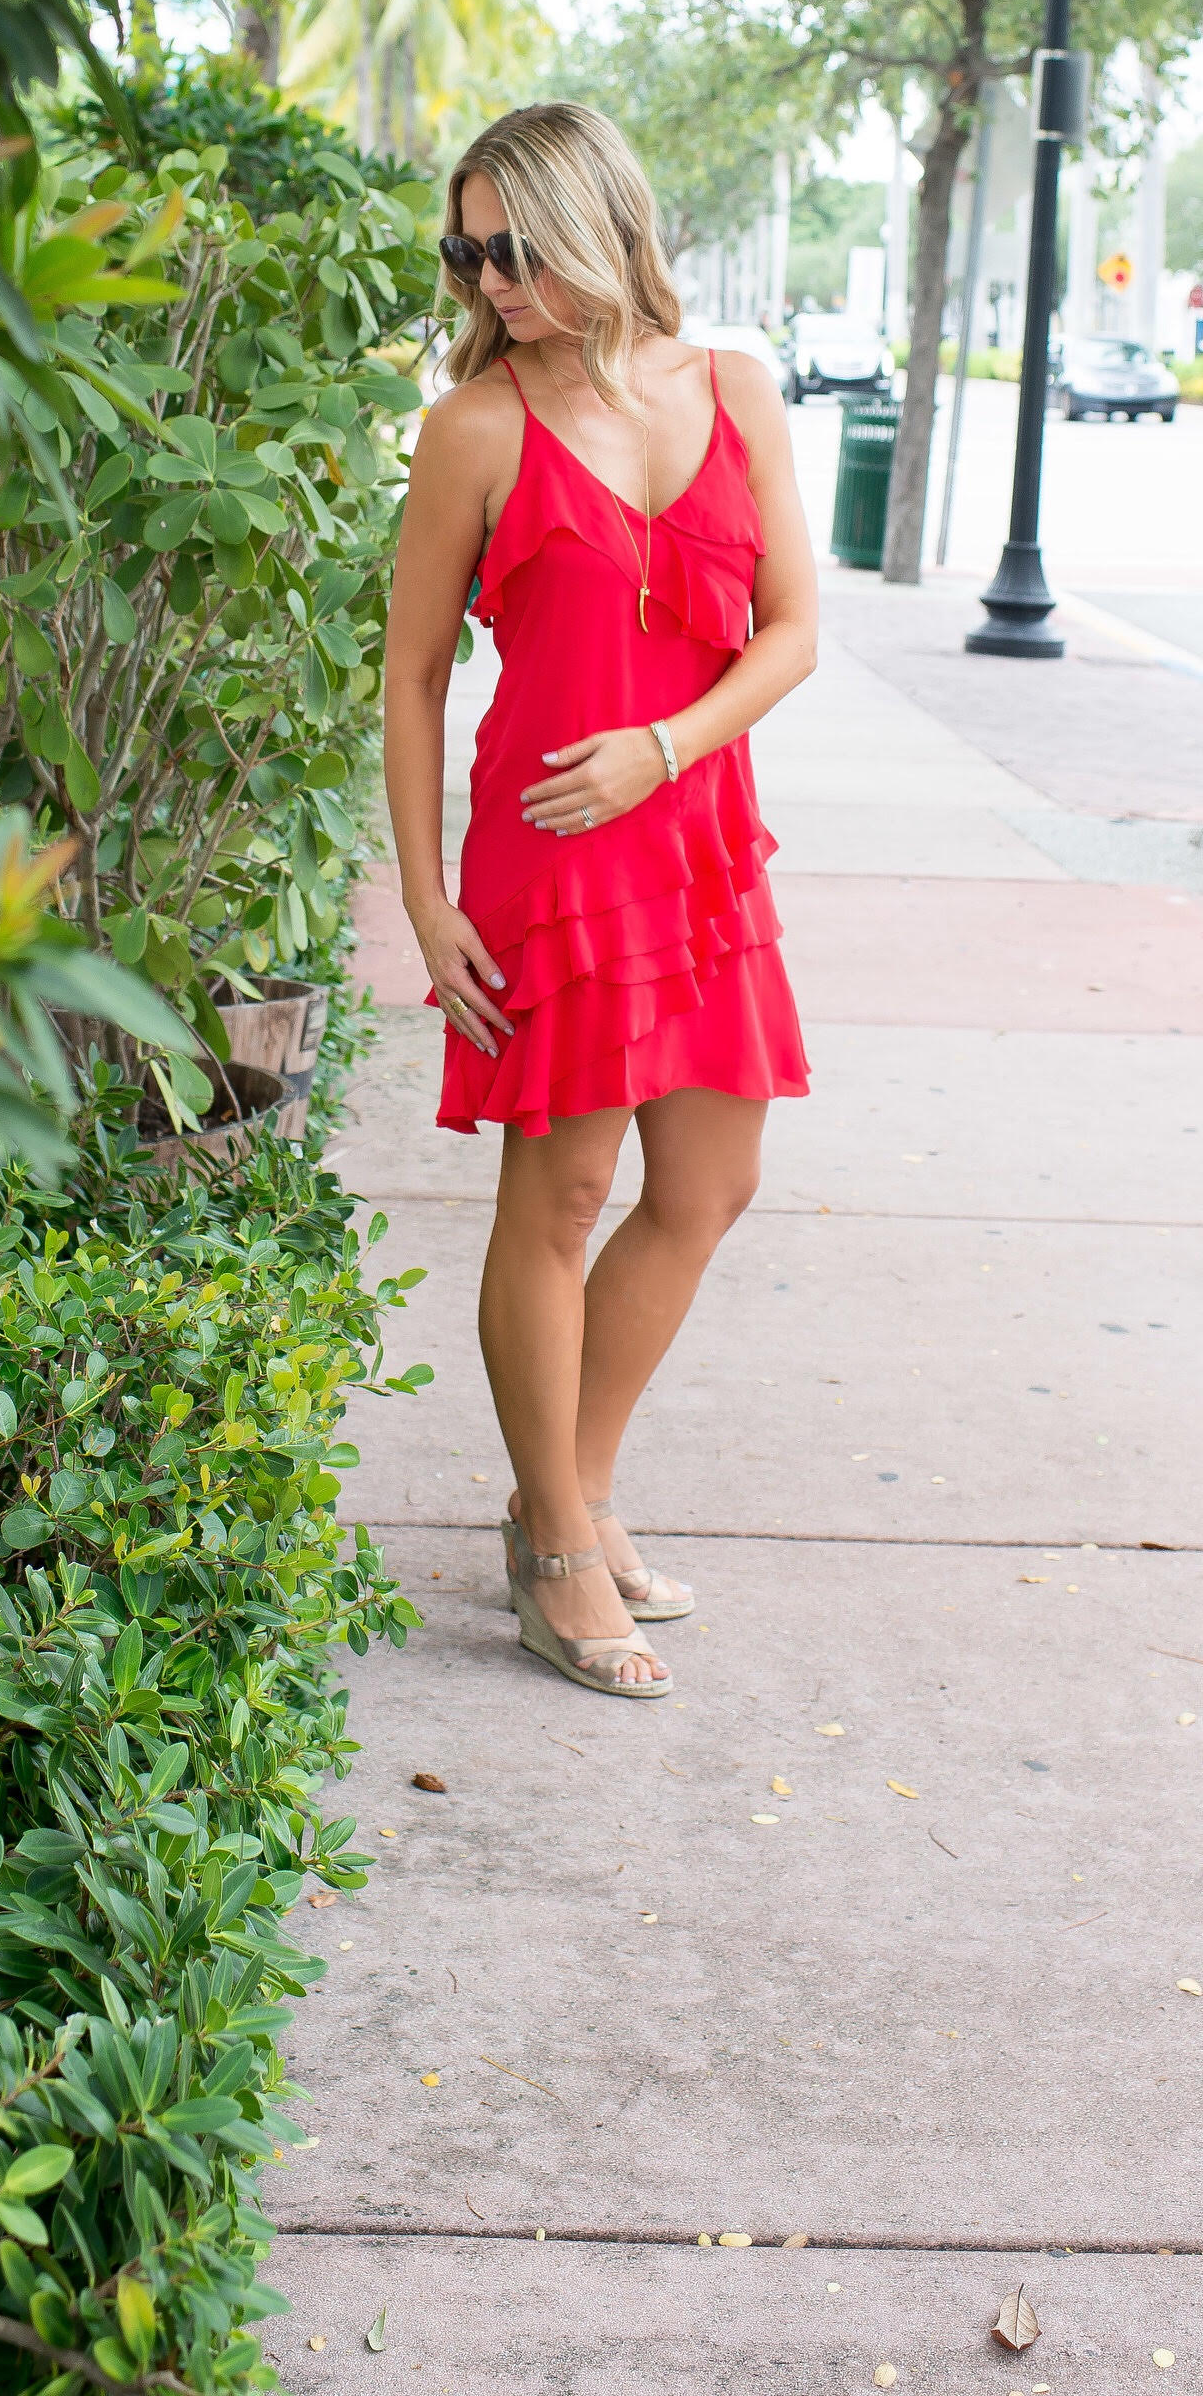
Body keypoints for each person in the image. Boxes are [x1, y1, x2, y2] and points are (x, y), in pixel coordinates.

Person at [382, 102, 817, 1700]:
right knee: (556, 1203)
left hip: (695, 840)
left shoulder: (737, 393)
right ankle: (560, 1545)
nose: (490, 279)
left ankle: (569, 1485)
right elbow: (416, 679)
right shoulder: (476, 430)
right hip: (549, 864)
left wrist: (664, 747)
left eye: (515, 247)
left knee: (709, 1187)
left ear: (602, 227)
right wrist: (428, 908)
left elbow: (790, 633)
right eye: (468, 250)